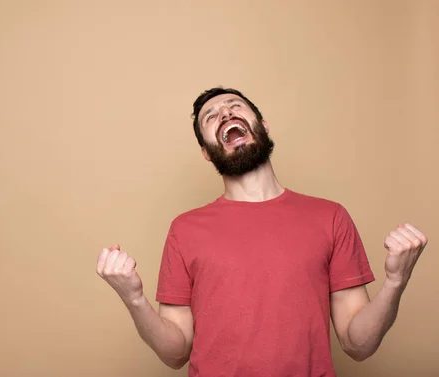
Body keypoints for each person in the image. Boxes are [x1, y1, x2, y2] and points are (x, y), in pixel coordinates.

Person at [95, 87, 428, 376]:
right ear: (207, 154)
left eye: (235, 106)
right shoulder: (184, 230)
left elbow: (358, 345)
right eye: (210, 117)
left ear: (263, 127)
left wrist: (396, 283)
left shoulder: (330, 216)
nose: (224, 113)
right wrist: (134, 298)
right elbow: (175, 353)